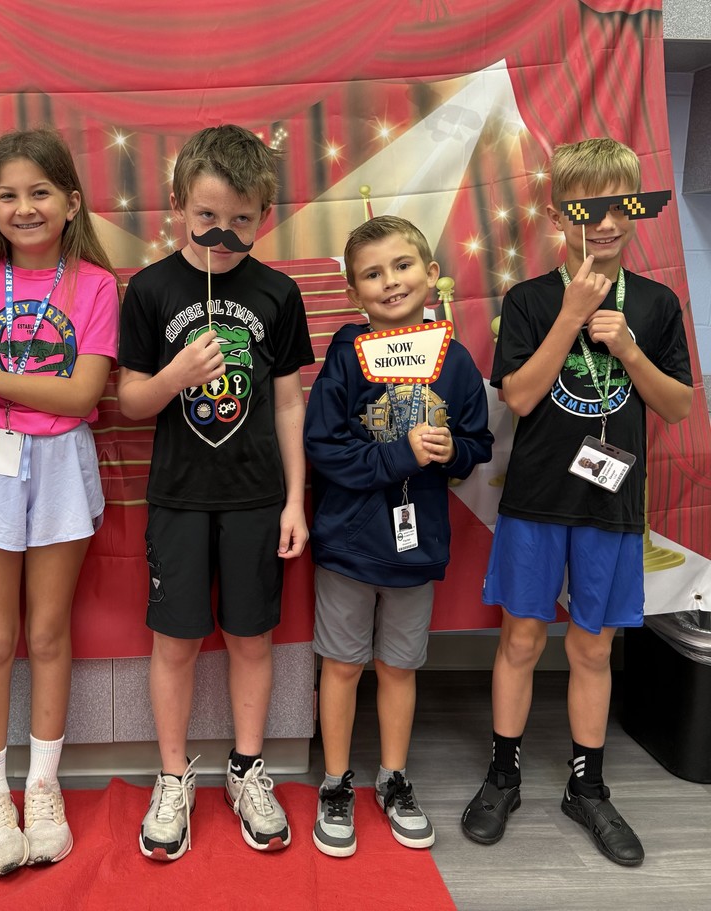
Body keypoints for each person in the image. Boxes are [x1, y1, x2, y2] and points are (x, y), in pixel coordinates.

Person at [461, 138, 693, 866]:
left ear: (634, 212)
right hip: (535, 501)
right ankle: (504, 772)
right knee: (522, 639)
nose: (604, 223)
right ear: (561, 214)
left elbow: (680, 406)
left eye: (619, 205)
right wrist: (571, 316)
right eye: (586, 207)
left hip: (612, 505)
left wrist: (627, 348)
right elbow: (521, 396)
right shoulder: (530, 299)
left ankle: (586, 787)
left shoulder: (656, 305)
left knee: (593, 646)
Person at [118, 124, 314, 860]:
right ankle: (174, 776)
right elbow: (132, 399)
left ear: (263, 215)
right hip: (176, 495)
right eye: (207, 217)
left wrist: (296, 501)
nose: (222, 235)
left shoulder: (277, 292)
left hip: (258, 496)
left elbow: (291, 402)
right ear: (177, 205)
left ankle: (246, 766)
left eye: (241, 219)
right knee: (174, 641)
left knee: (250, 637)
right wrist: (175, 377)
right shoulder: (150, 289)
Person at [0, 128, 119, 877]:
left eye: (40, 191)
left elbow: (81, 392)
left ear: (71, 201)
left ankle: (43, 786)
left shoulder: (96, 286)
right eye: (7, 194)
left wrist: (0, 382)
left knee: (47, 634)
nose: (24, 206)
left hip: (60, 462)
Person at [304, 216, 493, 857]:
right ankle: (335, 782)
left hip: (415, 546)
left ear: (432, 275)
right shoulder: (344, 356)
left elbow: (478, 444)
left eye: (403, 266)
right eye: (373, 274)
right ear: (355, 293)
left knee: (399, 666)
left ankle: (393, 777)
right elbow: (323, 448)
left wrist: (451, 449)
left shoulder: (456, 360)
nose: (391, 282)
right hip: (348, 542)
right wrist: (399, 458)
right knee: (341, 664)